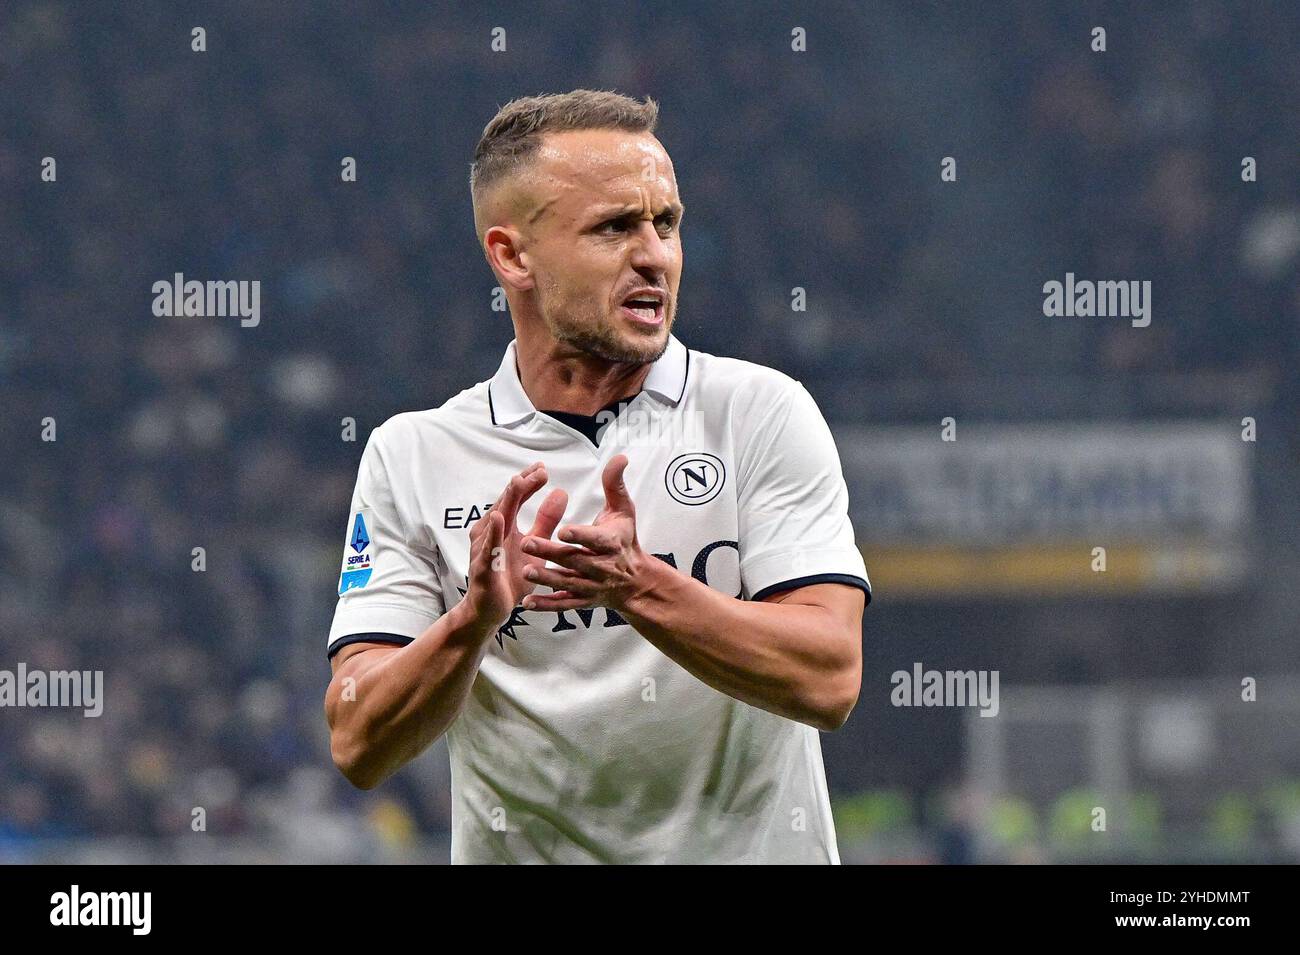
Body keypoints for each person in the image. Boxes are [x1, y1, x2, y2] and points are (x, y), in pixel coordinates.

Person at [324, 89, 871, 863]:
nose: (654, 253)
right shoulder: (415, 454)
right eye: (615, 226)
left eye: (667, 222)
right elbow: (357, 738)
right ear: (511, 256)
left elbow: (830, 676)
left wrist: (640, 584)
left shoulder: (757, 414)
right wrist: (471, 624)